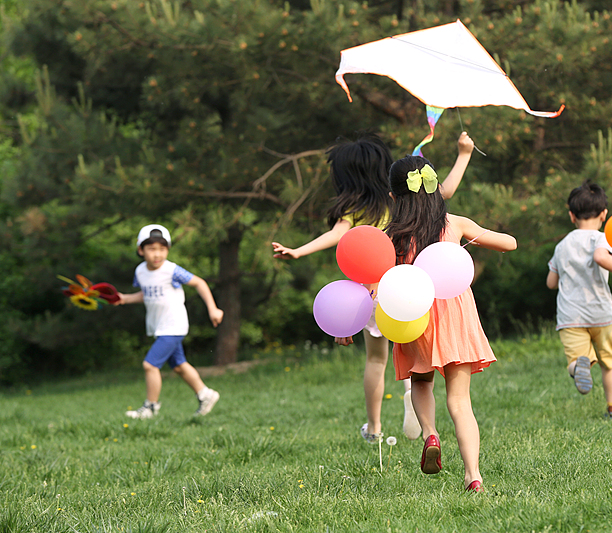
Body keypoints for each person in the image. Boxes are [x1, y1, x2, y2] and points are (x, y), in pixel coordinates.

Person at [272, 132, 476, 444]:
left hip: (371, 294)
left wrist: (299, 251)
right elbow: (444, 191)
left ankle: (375, 427)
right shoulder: (402, 200)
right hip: (410, 290)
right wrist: (463, 154)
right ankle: (411, 392)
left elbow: (336, 235)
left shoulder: (357, 208)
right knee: (414, 352)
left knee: (377, 360)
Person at [368, 154, 516, 493]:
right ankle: (473, 475)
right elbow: (509, 243)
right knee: (460, 400)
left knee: (421, 382)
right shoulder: (455, 224)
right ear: (437, 190)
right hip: (455, 316)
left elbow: (375, 285)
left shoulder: (391, 236)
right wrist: (471, 241)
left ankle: (430, 433)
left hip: (414, 317)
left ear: (393, 197)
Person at [116, 224, 224, 419]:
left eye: (162, 249)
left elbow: (199, 283)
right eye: (151, 249)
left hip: (174, 325)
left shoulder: (172, 270)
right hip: (158, 326)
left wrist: (213, 308)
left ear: (168, 250)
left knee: (150, 365)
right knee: (179, 365)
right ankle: (206, 395)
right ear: (140, 250)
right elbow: (147, 294)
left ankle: (150, 408)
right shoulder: (140, 272)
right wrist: (124, 298)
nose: (157, 254)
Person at [546, 181, 612, 419]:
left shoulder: (562, 246)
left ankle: (578, 366)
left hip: (571, 316)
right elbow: (601, 257)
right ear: (604, 214)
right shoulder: (601, 239)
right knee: (609, 362)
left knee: (575, 359)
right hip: (601, 313)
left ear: (571, 216)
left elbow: (551, 282)